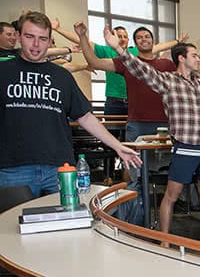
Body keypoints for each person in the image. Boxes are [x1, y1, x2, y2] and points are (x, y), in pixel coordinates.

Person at [105, 27, 200, 243]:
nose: (198, 59)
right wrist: (118, 47)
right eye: (194, 55)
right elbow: (141, 69)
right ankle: (165, 242)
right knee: (172, 196)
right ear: (182, 59)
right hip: (185, 148)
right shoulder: (168, 81)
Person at [0, 12, 141, 197]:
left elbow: (86, 116)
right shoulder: (4, 72)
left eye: (42, 39)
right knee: (12, 223)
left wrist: (117, 145)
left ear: (50, 41)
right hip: (13, 168)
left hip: (60, 167)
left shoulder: (62, 76)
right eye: (29, 37)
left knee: (67, 222)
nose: (36, 44)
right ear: (19, 37)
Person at [76, 22, 176, 184]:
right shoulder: (126, 62)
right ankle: (134, 202)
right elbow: (95, 62)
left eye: (147, 36)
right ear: (135, 44)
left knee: (166, 167)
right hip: (137, 124)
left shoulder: (167, 64)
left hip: (165, 124)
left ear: (152, 41)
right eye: (139, 37)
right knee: (133, 167)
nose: (144, 39)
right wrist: (82, 37)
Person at [52, 18, 185, 116]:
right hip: (114, 102)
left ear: (129, 40)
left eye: (125, 36)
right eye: (119, 36)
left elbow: (159, 46)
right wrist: (58, 30)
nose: (122, 39)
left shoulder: (134, 53)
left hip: (134, 103)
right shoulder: (107, 51)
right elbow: (83, 41)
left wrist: (178, 41)